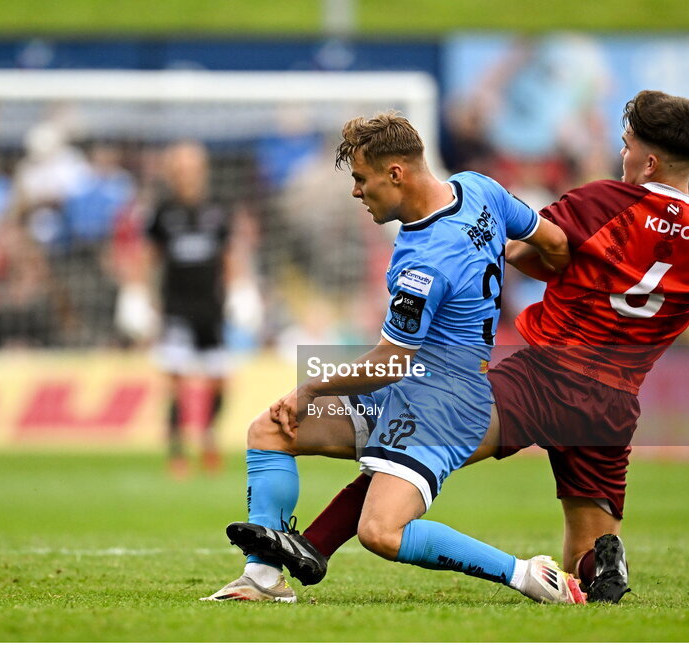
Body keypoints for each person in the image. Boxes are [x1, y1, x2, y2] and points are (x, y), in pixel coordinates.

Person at [227, 90, 689, 603]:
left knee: (410, 448)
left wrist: (488, 257)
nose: (621, 154)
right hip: (611, 407)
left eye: (628, 146)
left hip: (539, 379)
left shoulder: (600, 203)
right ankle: (600, 571)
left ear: (649, 162)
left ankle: (312, 548)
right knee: (582, 557)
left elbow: (535, 251)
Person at [203, 112, 575, 604]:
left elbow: (388, 362)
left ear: (395, 173)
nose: (357, 192)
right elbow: (555, 244)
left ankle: (525, 573)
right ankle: (263, 580)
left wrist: (311, 387)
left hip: (442, 407)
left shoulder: (423, 263)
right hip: (408, 390)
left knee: (380, 531)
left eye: (361, 178)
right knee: (270, 429)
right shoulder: (479, 188)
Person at [146, 141, 233, 478]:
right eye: (180, 169)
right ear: (171, 174)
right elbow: (148, 256)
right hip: (176, 307)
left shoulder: (217, 209)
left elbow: (228, 254)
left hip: (211, 308)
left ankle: (208, 439)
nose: (186, 175)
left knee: (220, 380)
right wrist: (140, 295)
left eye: (192, 168)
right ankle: (177, 450)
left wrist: (240, 290)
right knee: (176, 380)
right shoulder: (162, 212)